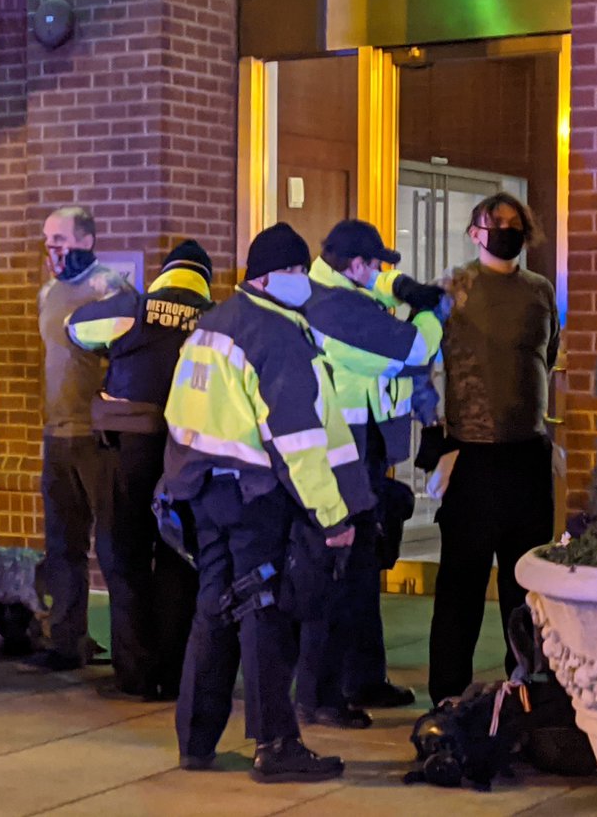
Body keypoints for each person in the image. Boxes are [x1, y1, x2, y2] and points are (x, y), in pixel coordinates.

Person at [165, 222, 373, 783]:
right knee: (265, 613)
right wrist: (333, 518)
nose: (302, 279)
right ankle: (276, 744)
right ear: (263, 277)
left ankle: (196, 739)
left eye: (304, 269)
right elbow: (298, 444)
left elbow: (179, 414)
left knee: (214, 608)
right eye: (293, 270)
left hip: (205, 490)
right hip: (255, 497)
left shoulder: (213, 324)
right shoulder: (275, 336)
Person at [296, 220, 444, 729]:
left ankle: (361, 678)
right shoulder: (338, 308)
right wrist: (428, 313)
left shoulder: (337, 291)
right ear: (354, 264)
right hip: (344, 457)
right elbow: (414, 349)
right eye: (376, 264)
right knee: (342, 573)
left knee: (360, 569)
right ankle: (329, 691)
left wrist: (400, 286)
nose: (381, 271)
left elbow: (378, 292)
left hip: (360, 452)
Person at [427, 192, 560, 705]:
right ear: (475, 231)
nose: (506, 230)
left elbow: (545, 357)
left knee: (525, 584)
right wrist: (437, 444)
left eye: (513, 223)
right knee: (461, 582)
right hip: (471, 453)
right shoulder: (454, 287)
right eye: (495, 222)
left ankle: (526, 687)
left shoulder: (540, 291)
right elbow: (422, 360)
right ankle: (448, 693)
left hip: (527, 453)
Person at [66, 240, 215, 700]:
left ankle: (135, 673)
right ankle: (173, 673)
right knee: (179, 558)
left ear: (165, 272)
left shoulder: (135, 308)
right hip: (189, 453)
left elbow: (77, 328)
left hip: (127, 448)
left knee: (124, 554)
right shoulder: (216, 318)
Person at [33, 205, 130, 671]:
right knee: (62, 545)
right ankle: (67, 642)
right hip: (57, 432)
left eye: (60, 238)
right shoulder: (49, 292)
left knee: (113, 543)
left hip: (95, 435)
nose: (52, 247)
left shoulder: (109, 289)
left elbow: (128, 353)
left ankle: (131, 652)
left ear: (87, 240)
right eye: (47, 239)